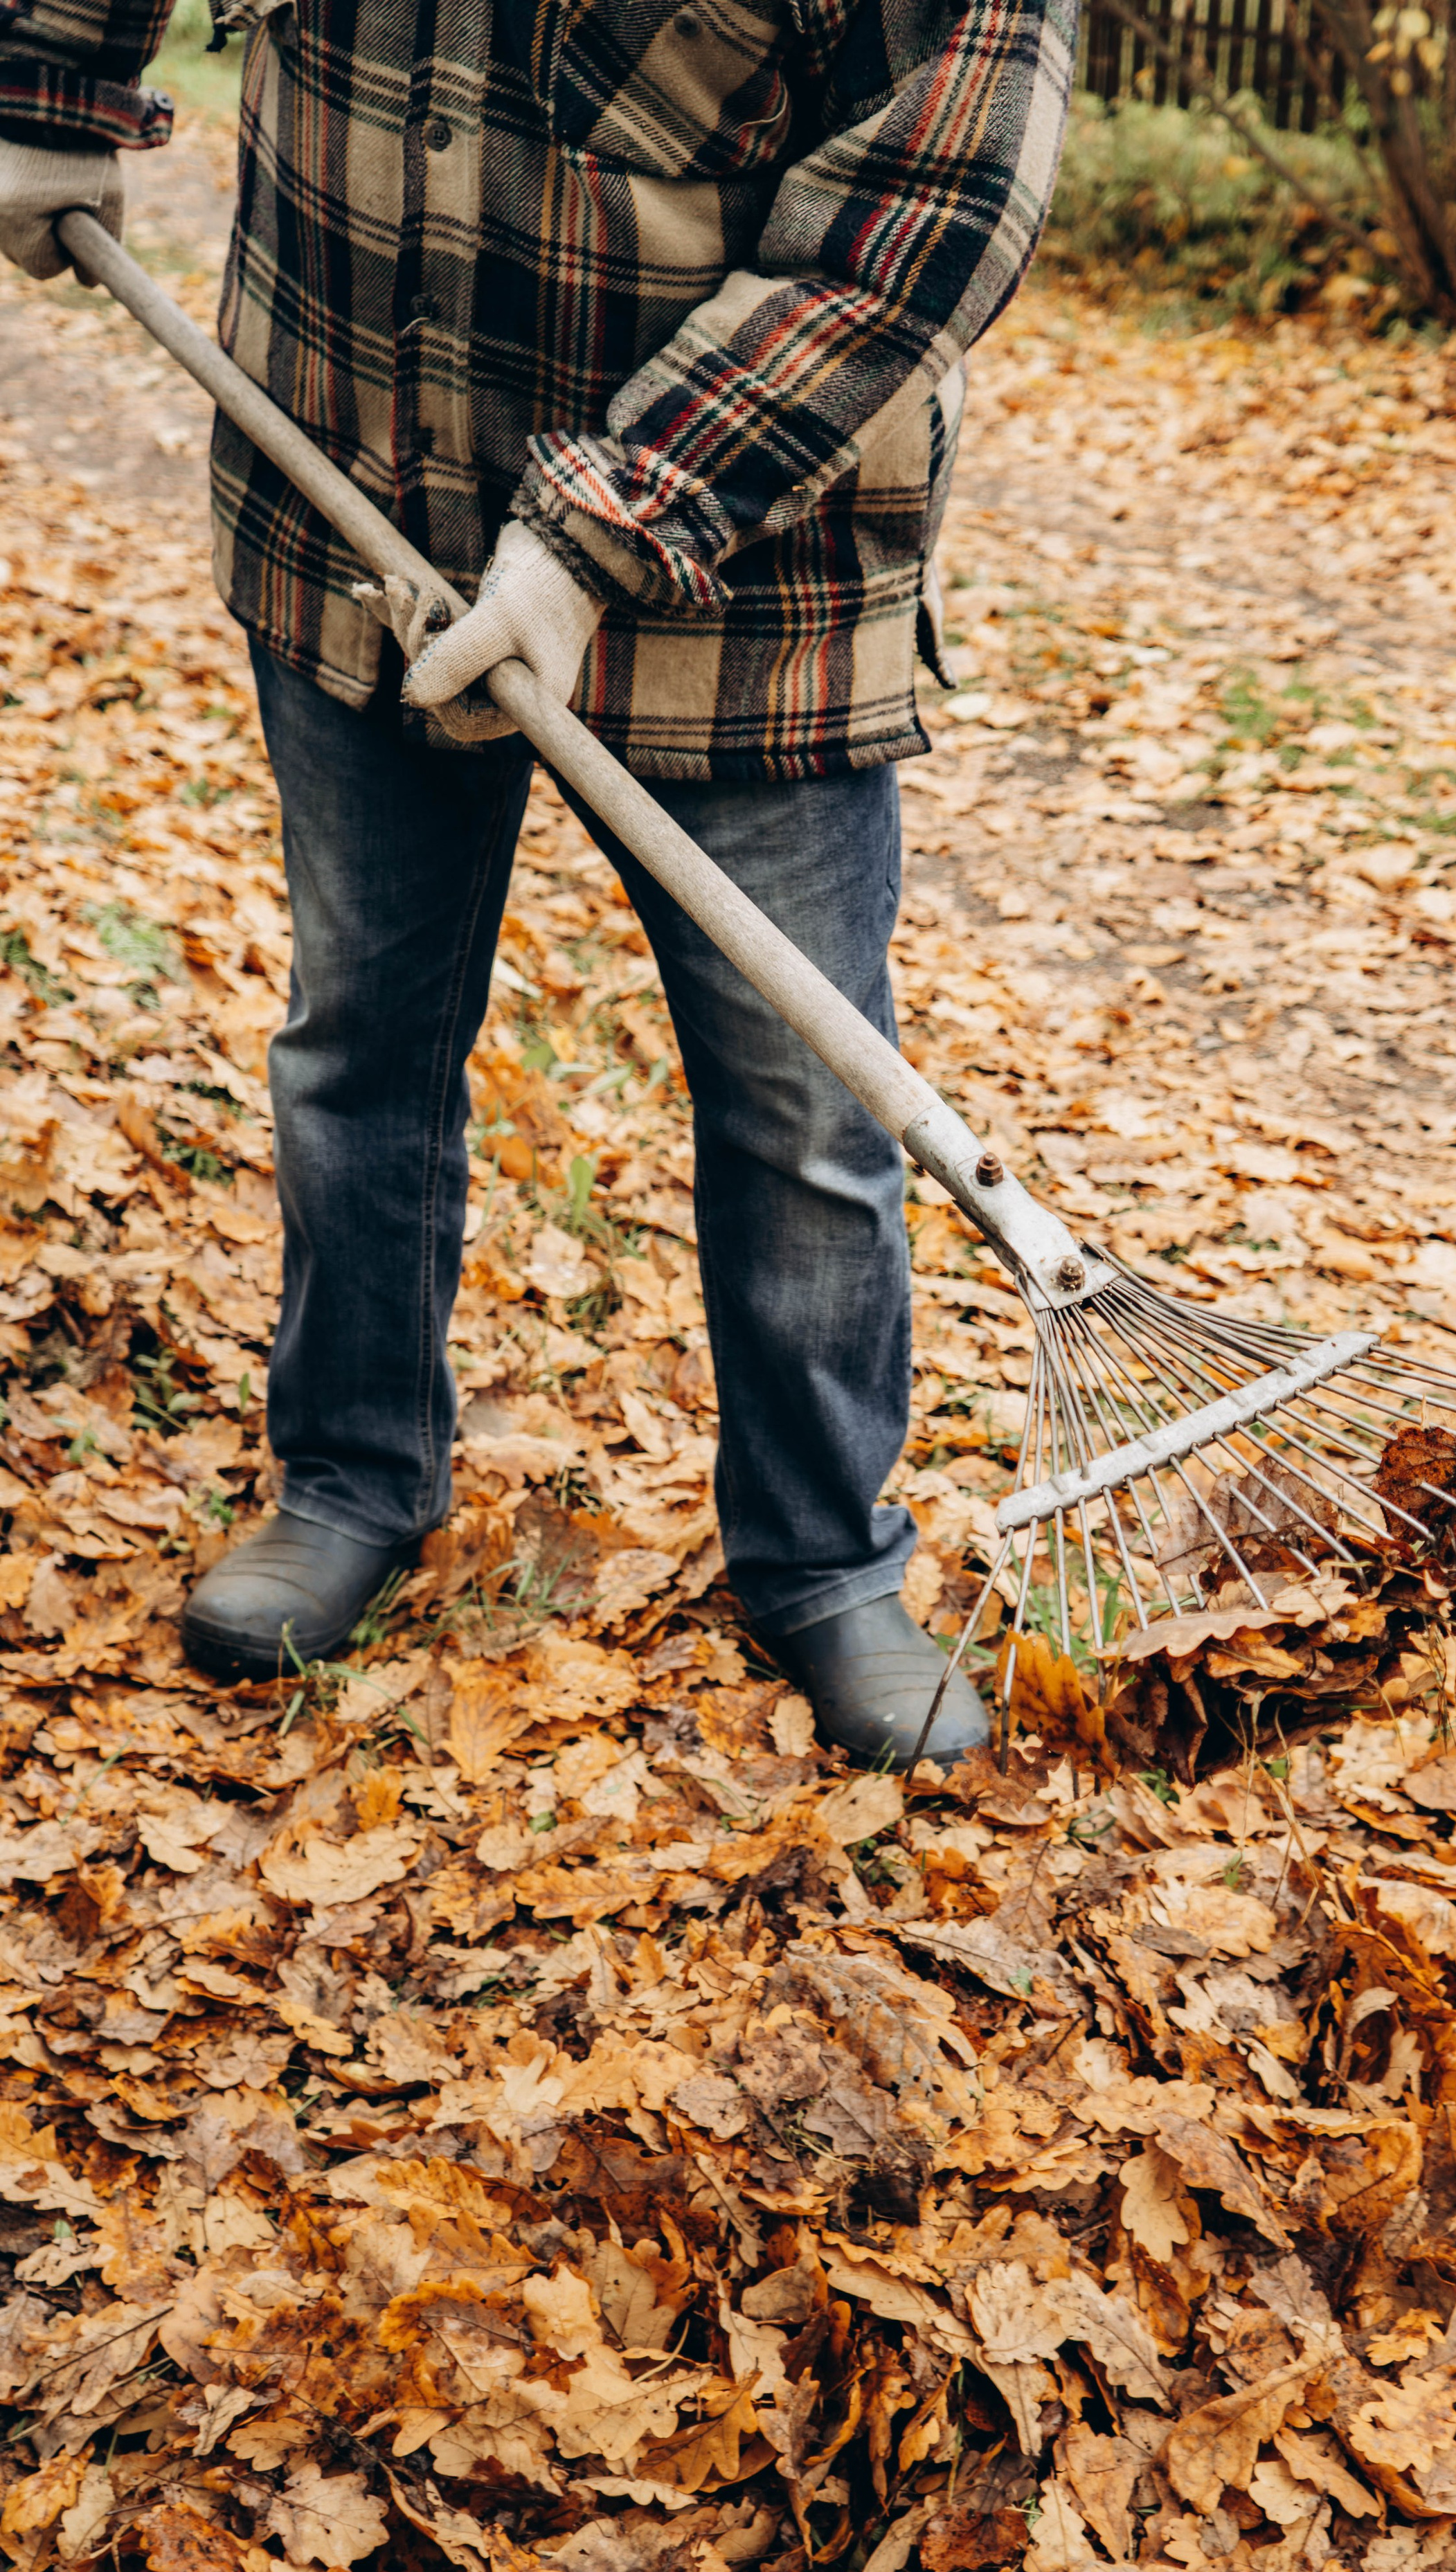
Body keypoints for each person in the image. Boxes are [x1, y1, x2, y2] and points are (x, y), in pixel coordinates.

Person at [0, 0, 1075, 1764]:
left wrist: (596, 536)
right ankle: (352, 1477)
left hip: (754, 571)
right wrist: (50, 74)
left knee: (806, 1111)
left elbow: (922, 219)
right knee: (361, 1037)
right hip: (359, 460)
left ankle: (821, 1562)